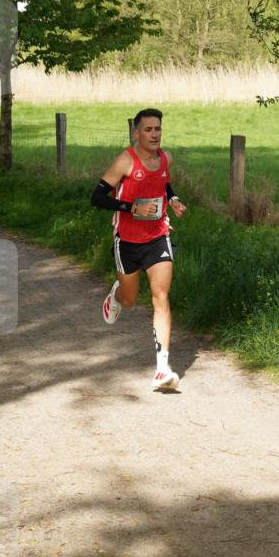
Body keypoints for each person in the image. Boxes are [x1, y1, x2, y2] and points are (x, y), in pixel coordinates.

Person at [90, 108, 187, 391]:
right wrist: (130, 207)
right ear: (136, 133)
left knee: (161, 297)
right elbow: (96, 197)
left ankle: (162, 369)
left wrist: (174, 199)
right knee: (131, 299)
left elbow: (164, 182)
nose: (154, 134)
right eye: (148, 130)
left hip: (158, 236)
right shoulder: (125, 161)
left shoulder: (166, 158)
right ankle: (115, 296)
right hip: (128, 241)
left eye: (158, 129)